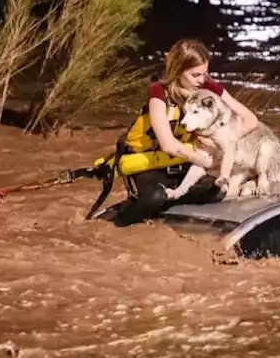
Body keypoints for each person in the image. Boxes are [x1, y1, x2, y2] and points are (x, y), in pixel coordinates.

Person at [104, 38, 260, 227]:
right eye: (195, 75)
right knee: (155, 196)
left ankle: (167, 203)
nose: (202, 80)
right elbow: (168, 144)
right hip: (150, 164)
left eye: (205, 73)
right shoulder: (158, 93)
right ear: (178, 71)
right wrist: (202, 160)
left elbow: (250, 120)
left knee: (217, 191)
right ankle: (118, 223)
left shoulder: (208, 89)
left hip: (182, 163)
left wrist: (224, 142)